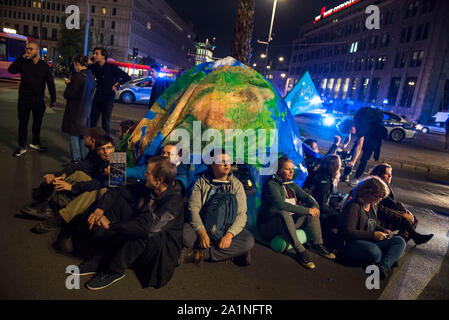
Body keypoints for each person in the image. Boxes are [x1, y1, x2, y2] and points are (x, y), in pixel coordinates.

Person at [77, 156, 185, 290]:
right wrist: (100, 210)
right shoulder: (151, 187)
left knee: (141, 231)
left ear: (159, 180)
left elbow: (147, 228)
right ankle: (100, 258)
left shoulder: (174, 202)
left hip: (160, 248)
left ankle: (114, 270)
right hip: (144, 226)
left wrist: (110, 225)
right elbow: (117, 189)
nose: (145, 175)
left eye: (148, 173)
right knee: (118, 204)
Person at [23, 135, 115, 233]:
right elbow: (79, 166)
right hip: (99, 186)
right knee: (79, 174)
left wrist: (72, 187)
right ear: (97, 151)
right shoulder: (96, 158)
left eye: (109, 148)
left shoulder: (118, 160)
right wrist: (60, 175)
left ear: (114, 148)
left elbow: (103, 184)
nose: (106, 152)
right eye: (102, 149)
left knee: (94, 190)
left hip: (111, 195)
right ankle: (50, 204)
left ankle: (60, 218)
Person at [257, 156, 336, 270]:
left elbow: (306, 197)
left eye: (292, 169)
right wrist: (307, 210)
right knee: (284, 213)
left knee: (310, 211)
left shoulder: (291, 184)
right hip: (269, 227)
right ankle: (300, 251)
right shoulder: (271, 185)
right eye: (287, 169)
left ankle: (318, 244)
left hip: (287, 223)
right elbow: (280, 205)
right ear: (278, 171)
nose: (291, 171)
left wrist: (314, 206)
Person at [182, 149, 254, 265]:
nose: (227, 164)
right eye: (222, 161)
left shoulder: (237, 185)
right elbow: (193, 209)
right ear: (212, 164)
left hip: (226, 229)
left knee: (248, 240)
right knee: (184, 233)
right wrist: (201, 232)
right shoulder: (201, 182)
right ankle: (228, 253)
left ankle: (202, 254)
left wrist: (229, 235)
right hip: (204, 226)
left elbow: (241, 215)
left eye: (228, 161)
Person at [340, 176, 406, 279]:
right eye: (377, 196)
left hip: (371, 240)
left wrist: (383, 231)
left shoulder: (372, 205)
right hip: (354, 242)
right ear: (367, 192)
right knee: (375, 252)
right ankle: (387, 259)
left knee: (400, 241)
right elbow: (348, 232)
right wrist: (373, 235)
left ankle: (381, 267)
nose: (379, 200)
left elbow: (373, 224)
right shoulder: (353, 206)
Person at [8, 41, 56, 157]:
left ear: (37, 51)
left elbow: (50, 83)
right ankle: (21, 146)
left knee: (37, 122)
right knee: (23, 123)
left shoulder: (44, 66)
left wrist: (53, 98)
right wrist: (21, 58)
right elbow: (11, 70)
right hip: (24, 98)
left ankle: (35, 142)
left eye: (30, 49)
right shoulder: (24, 63)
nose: (28, 51)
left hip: (39, 99)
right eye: (27, 49)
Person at [370, 163, 433, 245]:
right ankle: (406, 239)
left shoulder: (385, 186)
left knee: (413, 219)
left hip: (387, 215)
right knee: (405, 220)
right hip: (378, 219)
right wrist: (402, 215)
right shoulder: (375, 187)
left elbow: (393, 203)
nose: (390, 176)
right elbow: (381, 209)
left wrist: (405, 212)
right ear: (379, 174)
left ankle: (403, 239)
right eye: (387, 174)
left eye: (391, 174)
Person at [339, 108, 387, 185]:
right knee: (351, 154)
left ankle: (356, 179)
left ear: (351, 126)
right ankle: (346, 175)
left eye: (350, 131)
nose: (351, 133)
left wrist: (353, 161)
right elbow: (348, 136)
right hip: (366, 134)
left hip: (372, 139)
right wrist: (343, 146)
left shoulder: (360, 128)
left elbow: (359, 145)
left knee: (364, 159)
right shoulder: (354, 123)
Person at [62, 55, 96, 163]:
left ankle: (76, 160)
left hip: (75, 110)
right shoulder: (91, 76)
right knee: (82, 136)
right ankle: (83, 160)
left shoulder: (77, 76)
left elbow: (70, 94)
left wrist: (68, 85)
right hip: (85, 111)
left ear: (77, 63)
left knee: (73, 136)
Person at [88, 48, 131, 134]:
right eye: (94, 54)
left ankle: (106, 142)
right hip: (98, 96)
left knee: (105, 122)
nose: (94, 55)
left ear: (103, 56)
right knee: (92, 120)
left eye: (96, 54)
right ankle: (92, 141)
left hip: (108, 98)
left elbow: (127, 77)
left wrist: (117, 84)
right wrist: (90, 60)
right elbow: (82, 66)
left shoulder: (111, 67)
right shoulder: (95, 66)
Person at [303, 154, 342, 228]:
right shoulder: (325, 182)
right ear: (335, 168)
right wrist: (336, 210)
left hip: (308, 206)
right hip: (314, 211)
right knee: (341, 217)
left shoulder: (316, 174)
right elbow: (321, 204)